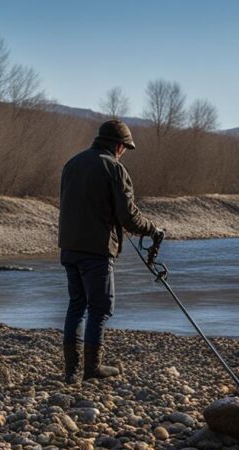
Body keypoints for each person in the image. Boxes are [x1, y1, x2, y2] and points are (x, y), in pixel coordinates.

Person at [58, 119, 163, 383]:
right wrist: (152, 229)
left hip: (69, 247)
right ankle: (92, 368)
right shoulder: (114, 169)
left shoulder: (72, 164)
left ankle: (71, 372)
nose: (124, 152)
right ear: (118, 146)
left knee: (77, 305)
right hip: (97, 250)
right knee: (101, 307)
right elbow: (128, 217)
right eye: (125, 147)